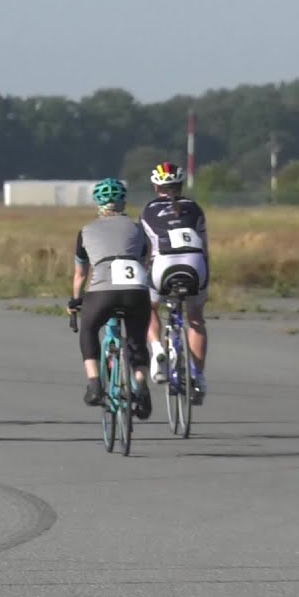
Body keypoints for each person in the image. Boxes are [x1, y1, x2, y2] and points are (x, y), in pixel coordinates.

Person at [68, 177, 154, 419]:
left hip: (102, 291)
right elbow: (145, 260)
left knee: (89, 329)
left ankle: (94, 383)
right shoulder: (138, 228)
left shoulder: (85, 231)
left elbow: (80, 274)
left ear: (97, 204)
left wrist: (75, 301)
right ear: (123, 203)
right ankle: (140, 384)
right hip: (136, 290)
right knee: (137, 340)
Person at [139, 161, 210, 404]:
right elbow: (205, 248)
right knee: (196, 319)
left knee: (148, 307)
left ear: (155, 186)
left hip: (163, 266)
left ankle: (157, 349)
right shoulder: (195, 208)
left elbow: (146, 251)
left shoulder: (148, 210)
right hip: (195, 265)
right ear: (180, 185)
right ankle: (198, 377)